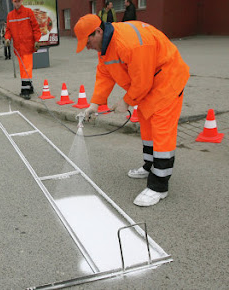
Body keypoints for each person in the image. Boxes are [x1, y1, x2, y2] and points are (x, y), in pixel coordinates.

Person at [74, 14, 189, 207]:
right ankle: (150, 166)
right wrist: (95, 104)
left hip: (167, 82)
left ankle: (159, 186)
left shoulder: (130, 43)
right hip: (148, 86)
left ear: (99, 31)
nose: (87, 47)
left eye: (88, 41)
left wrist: (126, 101)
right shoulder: (105, 47)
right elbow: (104, 74)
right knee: (146, 125)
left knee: (161, 131)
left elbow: (143, 81)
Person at [4, 0, 41, 100]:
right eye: (16, 1)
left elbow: (35, 27)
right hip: (18, 47)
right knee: (23, 67)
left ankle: (25, 89)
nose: (17, 3)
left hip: (28, 45)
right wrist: (7, 38)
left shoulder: (28, 12)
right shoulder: (10, 15)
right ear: (13, 2)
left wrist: (37, 40)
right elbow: (8, 29)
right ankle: (29, 86)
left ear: (22, 1)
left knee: (26, 67)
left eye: (19, 1)